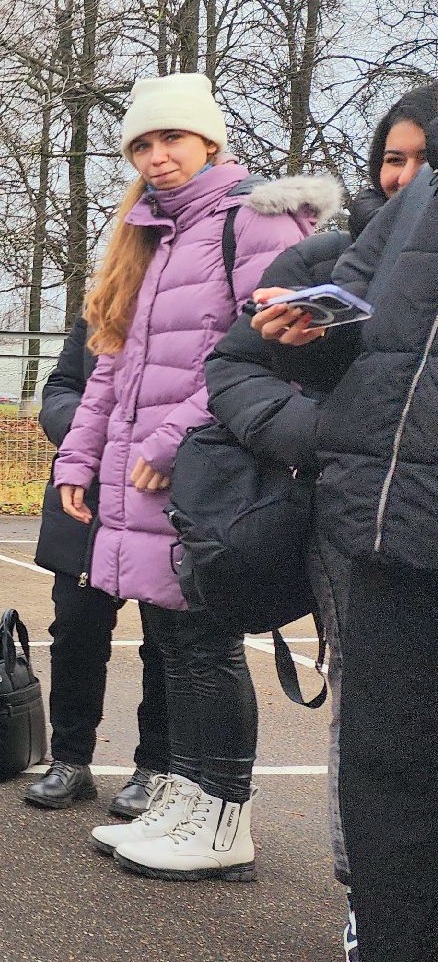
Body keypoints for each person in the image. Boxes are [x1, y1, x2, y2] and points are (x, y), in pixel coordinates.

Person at [52, 72, 331, 883]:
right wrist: (80, 455)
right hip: (145, 477)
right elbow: (112, 362)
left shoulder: (255, 219)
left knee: (206, 645)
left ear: (210, 140)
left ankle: (222, 820)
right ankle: (185, 793)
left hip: (208, 470)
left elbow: (267, 349)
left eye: (171, 138)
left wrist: (173, 440)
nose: (157, 156)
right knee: (174, 641)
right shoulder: (152, 234)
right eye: (142, 144)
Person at [209, 84, 430, 951]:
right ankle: (364, 905)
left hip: (390, 513)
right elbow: (242, 360)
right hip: (365, 522)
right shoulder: (356, 249)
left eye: (424, 158)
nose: (407, 174)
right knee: (376, 751)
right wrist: (323, 436)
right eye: (393, 157)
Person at [22, 316, 168, 817]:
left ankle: (157, 768)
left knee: (168, 643)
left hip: (164, 492)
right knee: (76, 630)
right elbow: (62, 386)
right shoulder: (106, 304)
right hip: (91, 494)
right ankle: (70, 759)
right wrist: (88, 430)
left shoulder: (200, 299)